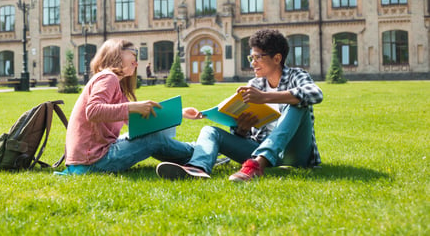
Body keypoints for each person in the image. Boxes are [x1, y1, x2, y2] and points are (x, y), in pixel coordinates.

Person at [156, 29, 323, 182]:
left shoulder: (296, 75)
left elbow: (315, 94)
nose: (253, 63)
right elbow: (244, 134)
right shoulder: (254, 84)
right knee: (210, 131)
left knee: (296, 103)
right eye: (251, 58)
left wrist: (264, 97)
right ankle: (197, 169)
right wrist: (242, 130)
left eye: (258, 57)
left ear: (277, 58)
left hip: (295, 153)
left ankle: (257, 165)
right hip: (258, 148)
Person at [58, 38, 194, 175]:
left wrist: (178, 113)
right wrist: (131, 107)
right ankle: (197, 153)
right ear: (116, 53)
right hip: (93, 159)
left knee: (151, 135)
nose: (136, 62)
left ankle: (194, 153)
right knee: (154, 140)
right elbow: (93, 111)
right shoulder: (108, 77)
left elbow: (138, 123)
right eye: (133, 53)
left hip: (92, 155)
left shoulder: (115, 85)